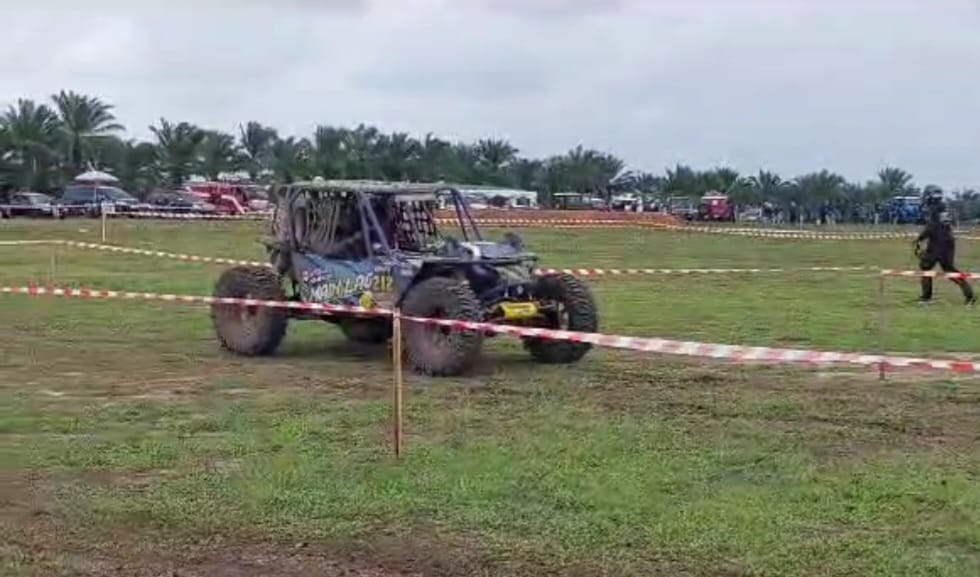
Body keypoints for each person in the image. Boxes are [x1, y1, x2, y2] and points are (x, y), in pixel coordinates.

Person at [914, 194, 975, 305]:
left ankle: (926, 298)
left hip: (937, 245)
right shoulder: (943, 210)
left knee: (926, 268)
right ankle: (969, 295)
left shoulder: (934, 210)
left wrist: (919, 238)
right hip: (947, 244)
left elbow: (931, 228)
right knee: (949, 270)